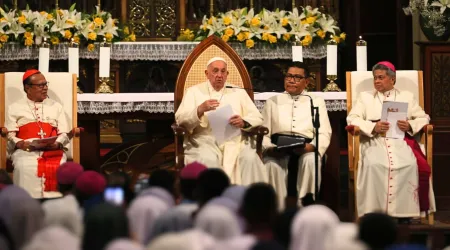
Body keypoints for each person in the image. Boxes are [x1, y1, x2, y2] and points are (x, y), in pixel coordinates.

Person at [346, 61, 436, 220]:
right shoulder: (365, 97)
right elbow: (352, 118)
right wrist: (373, 127)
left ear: (392, 80)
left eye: (381, 78)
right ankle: (374, 214)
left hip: (400, 141)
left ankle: (405, 214)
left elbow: (424, 117)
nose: (376, 81)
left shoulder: (406, 96)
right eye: (375, 78)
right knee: (374, 164)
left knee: (409, 164)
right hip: (375, 141)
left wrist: (409, 125)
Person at [175, 57, 268, 185]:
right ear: (207, 73)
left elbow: (257, 117)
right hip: (204, 140)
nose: (219, 75)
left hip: (235, 141)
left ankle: (250, 201)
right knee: (208, 159)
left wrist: (243, 122)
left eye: (223, 71)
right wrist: (200, 109)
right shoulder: (193, 92)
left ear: (227, 74)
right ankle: (212, 201)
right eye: (215, 71)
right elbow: (180, 119)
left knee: (250, 158)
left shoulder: (238, 92)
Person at [261, 62, 332, 207]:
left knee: (311, 161)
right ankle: (277, 209)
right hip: (277, 147)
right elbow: (264, 132)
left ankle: (305, 206)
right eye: (289, 76)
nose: (291, 80)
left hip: (305, 147)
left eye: (297, 77)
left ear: (306, 81)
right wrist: (270, 148)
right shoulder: (272, 101)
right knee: (271, 165)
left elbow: (324, 132)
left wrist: (311, 147)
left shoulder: (316, 101)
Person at [4, 69, 71, 199]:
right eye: (41, 85)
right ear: (28, 88)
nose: (45, 88)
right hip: (25, 150)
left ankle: (55, 201)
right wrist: (20, 143)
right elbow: (10, 134)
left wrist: (58, 143)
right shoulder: (14, 107)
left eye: (46, 84)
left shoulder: (56, 107)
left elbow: (65, 132)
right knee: (23, 166)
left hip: (52, 150)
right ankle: (25, 202)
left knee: (60, 166)